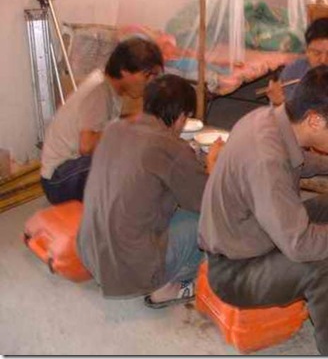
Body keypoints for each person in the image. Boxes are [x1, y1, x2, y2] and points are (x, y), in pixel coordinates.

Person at [199, 66, 328, 355]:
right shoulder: (266, 160)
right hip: (235, 268)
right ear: (315, 120)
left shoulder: (269, 120)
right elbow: (300, 245)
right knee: (327, 264)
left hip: (261, 231)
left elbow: (295, 157)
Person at [77, 74, 223, 307]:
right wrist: (213, 166)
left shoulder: (115, 129)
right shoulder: (171, 147)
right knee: (206, 221)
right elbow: (208, 202)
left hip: (89, 251)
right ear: (181, 116)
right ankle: (168, 288)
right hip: (129, 270)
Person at [40, 36, 164, 205]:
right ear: (125, 71)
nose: (150, 82)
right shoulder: (99, 92)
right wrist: (130, 123)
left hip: (67, 172)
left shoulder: (106, 84)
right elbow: (87, 147)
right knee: (128, 161)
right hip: (59, 179)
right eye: (147, 75)